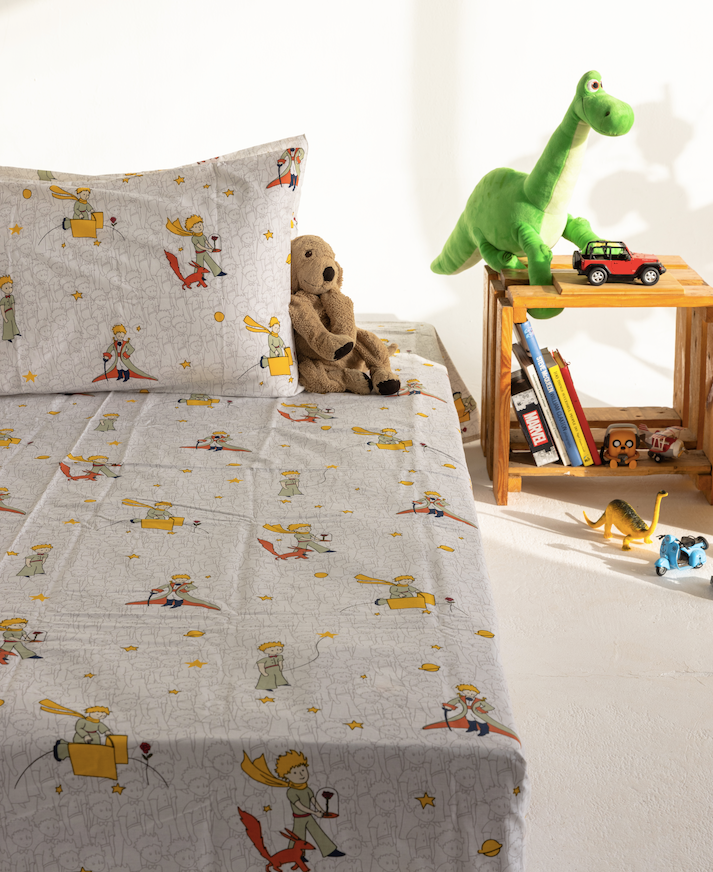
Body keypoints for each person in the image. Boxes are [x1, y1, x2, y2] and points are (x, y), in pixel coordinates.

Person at [0, 276, 20, 342]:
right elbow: (2, 310)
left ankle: (15, 332)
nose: (9, 289)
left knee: (13, 323)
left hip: (11, 312)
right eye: (6, 288)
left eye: (11, 287)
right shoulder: (2, 300)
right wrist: (4, 317)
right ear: (2, 288)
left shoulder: (12, 297)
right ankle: (8, 337)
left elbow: (13, 306)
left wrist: (14, 313)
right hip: (6, 313)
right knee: (7, 324)